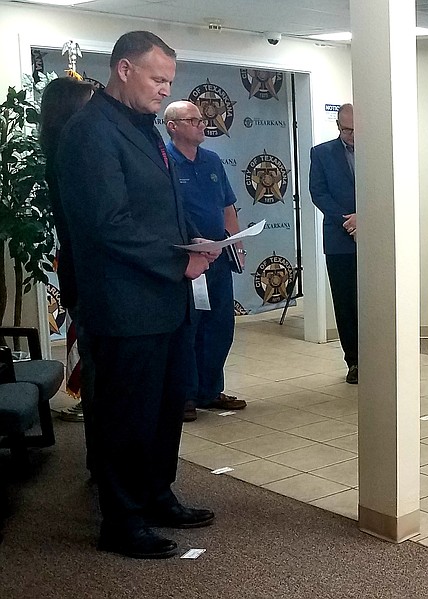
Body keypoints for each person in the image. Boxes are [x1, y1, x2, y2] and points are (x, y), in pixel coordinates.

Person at [57, 31, 218, 559]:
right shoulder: (91, 131)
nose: (164, 89)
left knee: (165, 407)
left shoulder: (144, 127)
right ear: (123, 69)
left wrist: (191, 242)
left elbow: (153, 207)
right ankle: (122, 521)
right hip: (124, 305)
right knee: (125, 416)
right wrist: (180, 260)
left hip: (162, 300)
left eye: (170, 80)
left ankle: (156, 494)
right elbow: (107, 224)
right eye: (157, 79)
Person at [163, 100, 247, 423]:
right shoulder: (166, 162)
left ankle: (210, 390)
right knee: (189, 329)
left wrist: (236, 242)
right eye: (193, 119)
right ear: (173, 127)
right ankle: (185, 394)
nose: (202, 124)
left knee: (221, 325)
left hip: (220, 258)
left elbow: (228, 206)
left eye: (201, 119)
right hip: (188, 260)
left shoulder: (212, 161)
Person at [39, 76, 96, 471]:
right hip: (88, 274)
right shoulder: (72, 157)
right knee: (99, 370)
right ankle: (103, 461)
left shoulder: (61, 149)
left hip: (78, 270)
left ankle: (101, 458)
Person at [309, 103, 358, 384]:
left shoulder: (378, 150)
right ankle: (353, 361)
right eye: (346, 129)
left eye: (355, 129)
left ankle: (378, 357)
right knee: (345, 302)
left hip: (374, 238)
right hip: (340, 239)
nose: (350, 135)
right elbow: (319, 192)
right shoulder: (322, 153)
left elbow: (385, 188)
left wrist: (364, 217)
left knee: (373, 302)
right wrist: (348, 220)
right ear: (338, 126)